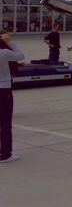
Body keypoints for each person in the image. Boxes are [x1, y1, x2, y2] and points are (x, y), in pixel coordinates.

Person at [0, 32, 25, 163]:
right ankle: (5, 154)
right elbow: (20, 55)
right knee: (5, 124)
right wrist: (10, 41)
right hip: (3, 90)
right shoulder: (3, 53)